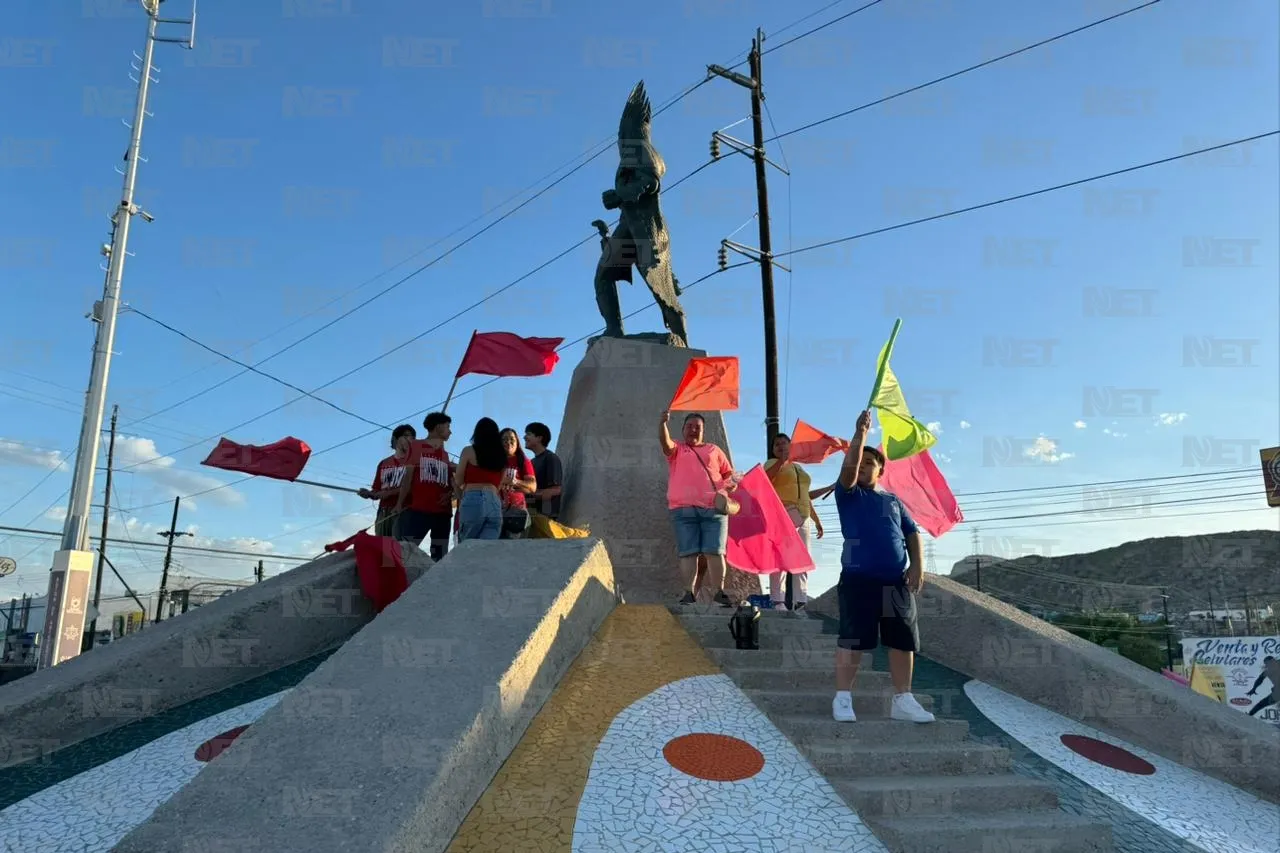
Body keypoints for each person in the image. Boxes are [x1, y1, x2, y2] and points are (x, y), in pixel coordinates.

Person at [831, 409, 934, 724]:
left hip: (895, 582)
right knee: (853, 639)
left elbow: (912, 532)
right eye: (860, 462)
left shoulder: (893, 501)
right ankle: (843, 698)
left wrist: (917, 565)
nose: (862, 467)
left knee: (902, 640)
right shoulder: (847, 494)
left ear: (880, 470)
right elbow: (848, 468)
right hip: (858, 580)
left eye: (869, 463)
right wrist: (860, 435)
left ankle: (903, 700)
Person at [659, 410, 737, 607]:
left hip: (714, 509)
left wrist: (731, 485)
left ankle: (718, 592)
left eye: (697, 427)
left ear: (703, 430)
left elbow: (728, 474)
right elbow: (665, 444)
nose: (693, 430)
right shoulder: (677, 448)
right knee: (688, 552)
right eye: (690, 427)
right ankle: (688, 592)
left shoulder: (714, 450)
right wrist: (662, 424)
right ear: (683, 429)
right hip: (683, 509)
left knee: (715, 551)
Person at [763, 431, 826, 612]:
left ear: (791, 446)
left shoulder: (799, 469)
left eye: (785, 443)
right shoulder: (773, 464)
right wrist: (781, 461)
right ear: (774, 450)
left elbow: (806, 496)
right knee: (780, 558)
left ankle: (801, 600)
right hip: (784, 513)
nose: (781, 446)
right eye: (777, 444)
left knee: (802, 559)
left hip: (803, 515)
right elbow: (764, 480)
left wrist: (817, 520)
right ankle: (778, 600)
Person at [392, 412, 454, 561]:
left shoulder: (444, 454)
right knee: (406, 550)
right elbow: (408, 477)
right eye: (447, 427)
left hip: (443, 513)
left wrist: (450, 493)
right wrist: (399, 503)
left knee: (439, 556)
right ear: (438, 427)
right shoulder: (416, 446)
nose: (450, 431)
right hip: (420, 510)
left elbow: (449, 480)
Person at [454, 417, 506, 541]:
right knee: (486, 550)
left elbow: (459, 480)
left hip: (473, 498)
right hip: (494, 501)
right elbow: (499, 484)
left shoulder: (468, 451)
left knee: (468, 547)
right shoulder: (502, 456)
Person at [360, 424, 415, 537]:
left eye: (412, 437)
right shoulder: (383, 463)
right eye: (406, 436)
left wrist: (389, 493)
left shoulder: (415, 463)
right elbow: (377, 490)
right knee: (382, 547)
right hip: (383, 512)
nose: (410, 440)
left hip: (404, 511)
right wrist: (369, 494)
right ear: (395, 440)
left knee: (399, 549)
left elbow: (414, 488)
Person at [498, 428, 538, 539]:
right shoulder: (493, 462)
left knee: (513, 551)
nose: (508, 442)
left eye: (512, 439)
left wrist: (514, 481)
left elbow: (532, 487)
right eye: (504, 439)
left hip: (516, 514)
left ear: (517, 442)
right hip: (495, 513)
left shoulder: (523, 461)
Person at [524, 421, 564, 521]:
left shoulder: (550, 458)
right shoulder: (530, 462)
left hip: (544, 518)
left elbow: (556, 490)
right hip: (530, 516)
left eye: (528, 434)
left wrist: (526, 495)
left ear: (539, 438)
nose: (524, 437)